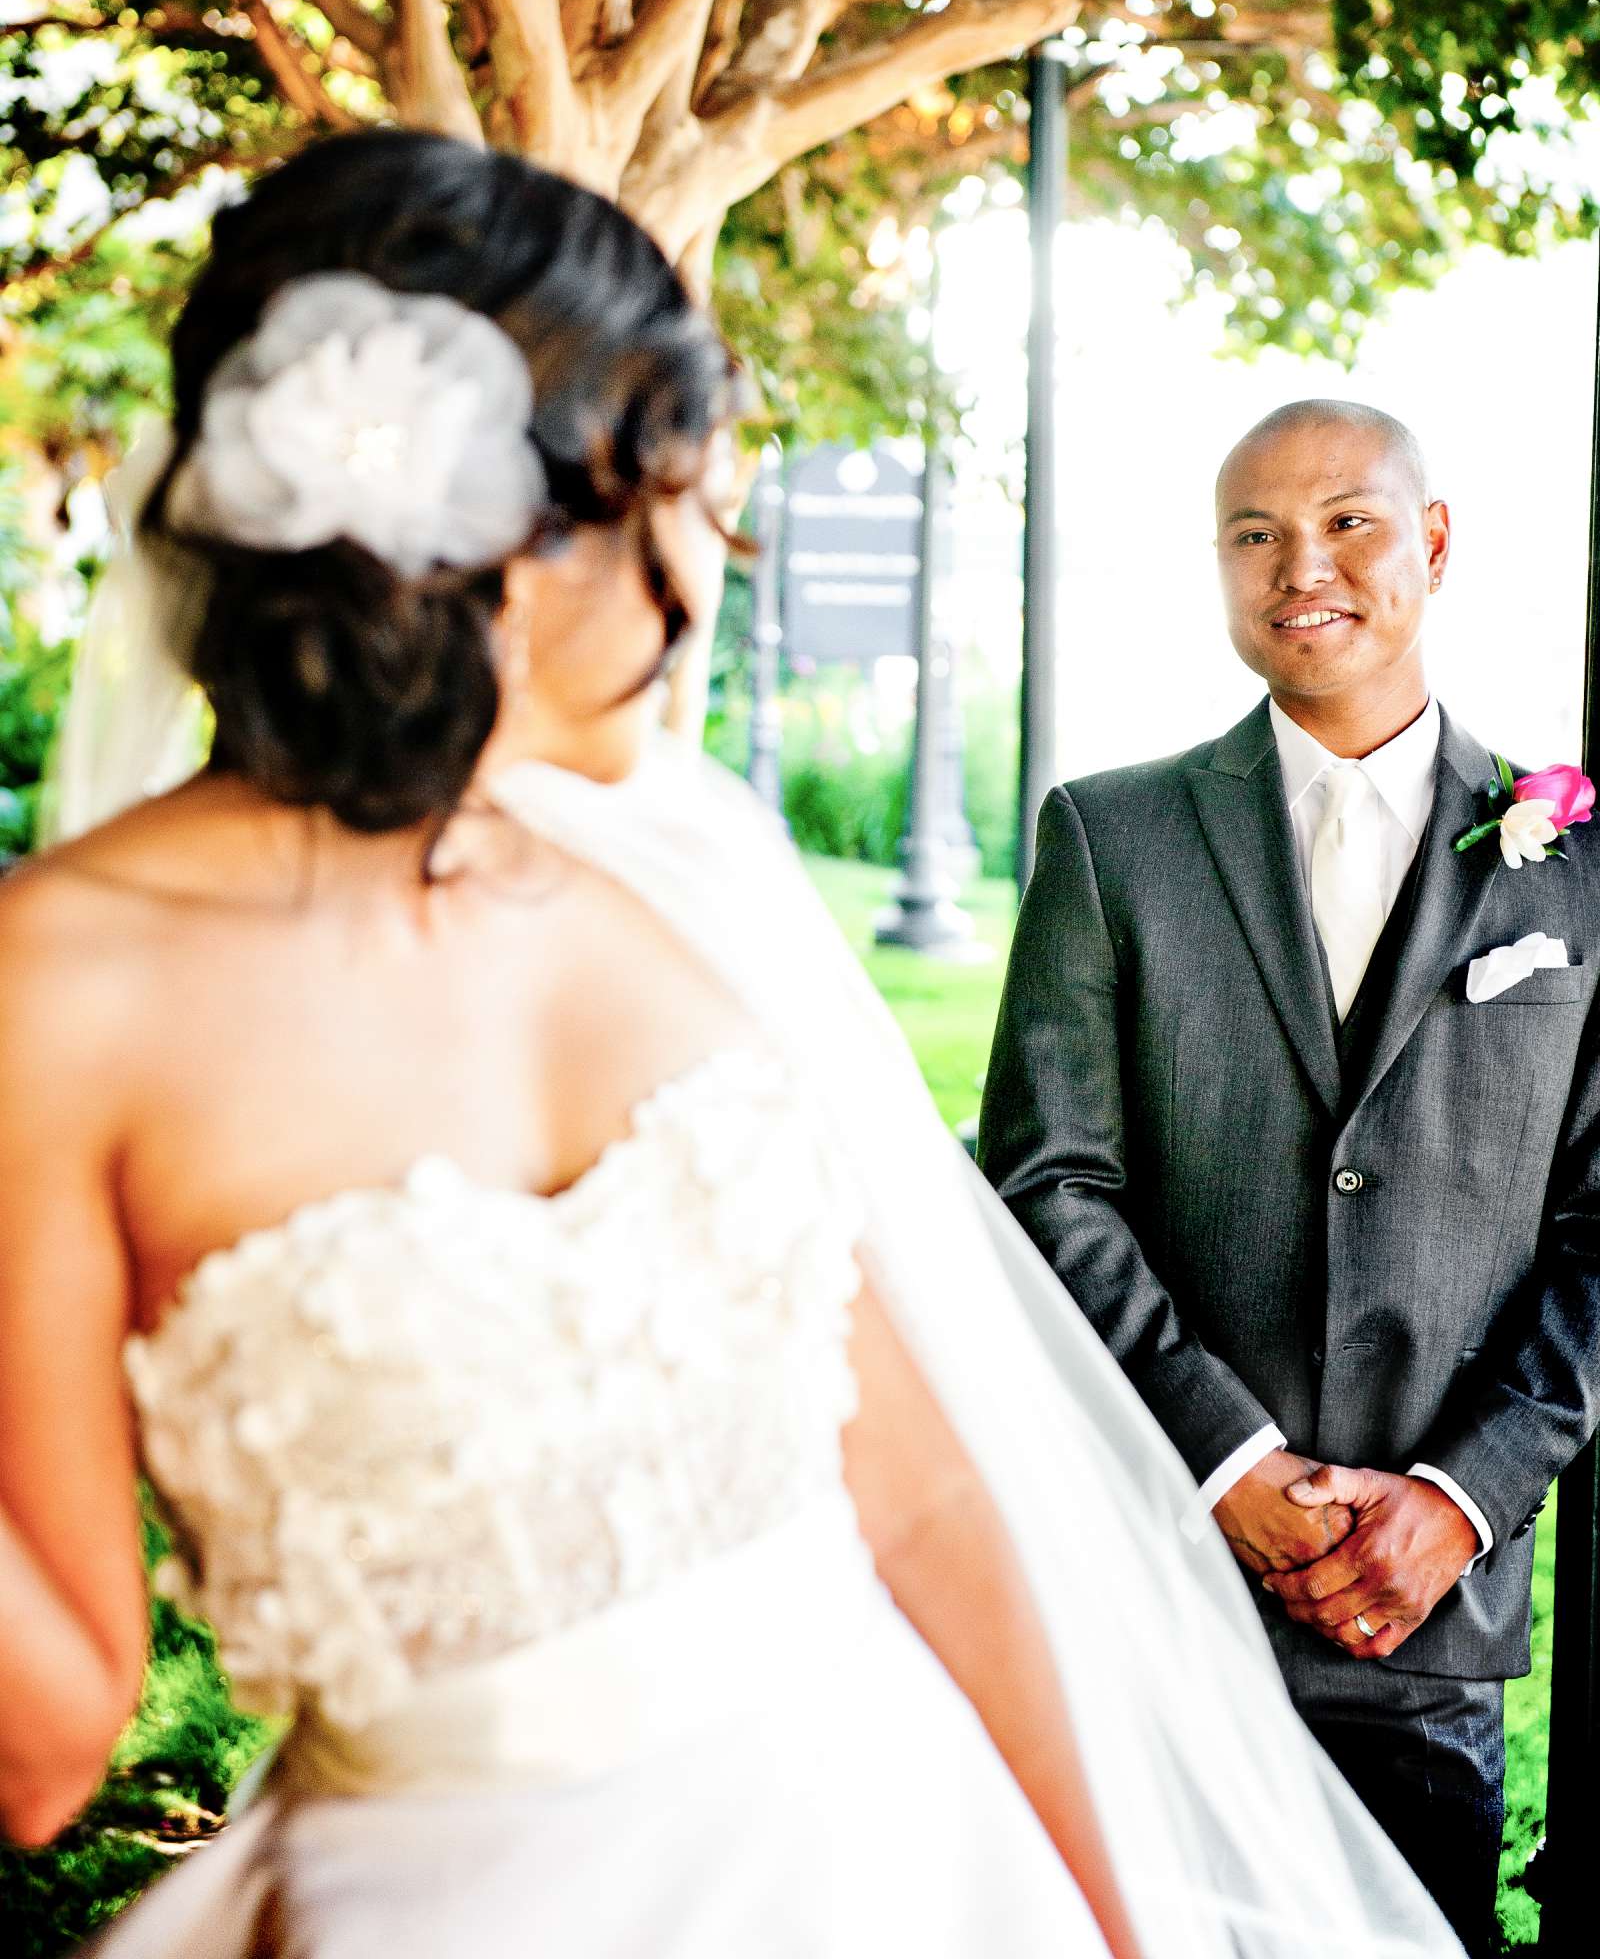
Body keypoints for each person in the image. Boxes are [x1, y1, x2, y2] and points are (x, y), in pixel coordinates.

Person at [0, 145, 1459, 1959]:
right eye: (680, 500)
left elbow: (925, 1497)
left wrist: (1117, 1924)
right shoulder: (55, 992)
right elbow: (52, 1729)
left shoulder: (672, 874)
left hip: (917, 1861)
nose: (713, 561)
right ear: (510, 548)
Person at [981, 397, 1600, 1959]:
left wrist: (1459, 1503)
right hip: (1164, 1580)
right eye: (1254, 534)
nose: (1299, 565)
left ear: (1436, 544)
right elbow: (1048, 1182)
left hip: (1427, 1607)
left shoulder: (1579, 865)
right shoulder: (1109, 838)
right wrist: (1228, 1468)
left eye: (1347, 522)